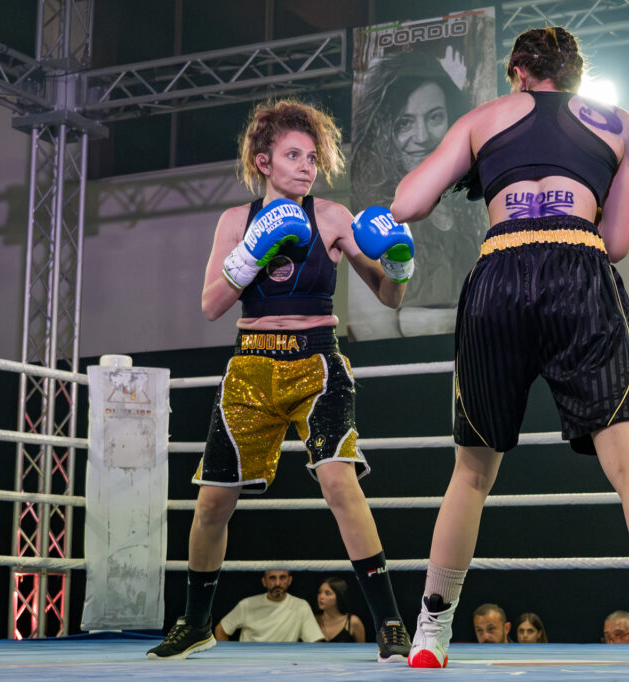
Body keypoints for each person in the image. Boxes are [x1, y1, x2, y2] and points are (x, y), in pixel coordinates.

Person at [390, 26, 629, 677]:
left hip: (498, 277)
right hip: (580, 271)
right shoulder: (618, 121)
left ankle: (430, 635)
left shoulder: (485, 117)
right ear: (576, 77)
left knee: (471, 472)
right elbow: (616, 241)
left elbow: (407, 203)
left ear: (516, 72)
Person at [146, 98, 412, 662]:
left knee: (340, 482)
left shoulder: (334, 217)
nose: (306, 166)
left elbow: (388, 298)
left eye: (312, 157)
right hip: (251, 364)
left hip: (317, 361)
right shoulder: (234, 222)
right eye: (293, 155)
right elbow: (212, 305)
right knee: (213, 501)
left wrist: (400, 263)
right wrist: (253, 253)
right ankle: (195, 622)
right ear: (263, 161)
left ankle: (390, 621)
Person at [350, 50, 486, 337]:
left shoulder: (476, 204)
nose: (422, 137)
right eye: (404, 123)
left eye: (435, 117)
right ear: (385, 132)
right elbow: (377, 337)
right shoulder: (374, 218)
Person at [213, 570, 323, 643]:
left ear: (289, 580)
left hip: (284, 665)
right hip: (249, 663)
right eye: (272, 578)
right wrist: (228, 658)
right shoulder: (247, 604)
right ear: (264, 581)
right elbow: (221, 629)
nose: (277, 583)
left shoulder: (300, 606)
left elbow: (315, 641)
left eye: (282, 577)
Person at [315, 576, 366, 643]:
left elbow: (362, 650)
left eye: (327, 593)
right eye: (320, 592)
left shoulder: (353, 622)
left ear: (339, 596)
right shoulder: (314, 619)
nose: (321, 597)